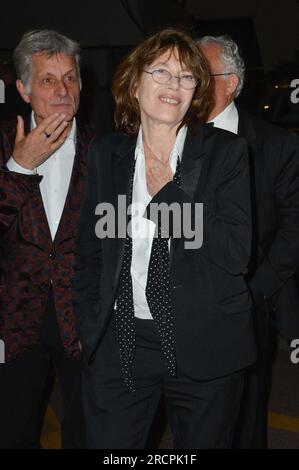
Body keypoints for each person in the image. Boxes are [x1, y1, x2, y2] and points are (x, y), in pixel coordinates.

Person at [73, 28, 256, 449]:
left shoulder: (226, 154)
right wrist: (89, 322)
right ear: (134, 83)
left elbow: (235, 255)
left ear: (197, 91)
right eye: (162, 72)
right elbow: (89, 249)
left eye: (187, 76)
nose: (175, 85)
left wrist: (168, 195)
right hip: (121, 340)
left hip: (206, 342)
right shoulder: (107, 154)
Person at [198, 35, 299, 449]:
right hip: (182, 309)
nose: (189, 83)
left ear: (232, 82)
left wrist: (255, 290)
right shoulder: (166, 138)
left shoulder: (276, 145)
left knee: (244, 417)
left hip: (247, 305)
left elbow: (294, 226)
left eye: (199, 74)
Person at [0, 29, 94, 448]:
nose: (62, 90)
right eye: (47, 80)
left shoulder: (108, 150)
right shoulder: (2, 148)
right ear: (22, 89)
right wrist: (18, 168)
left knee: (89, 430)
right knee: (13, 429)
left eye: (70, 78)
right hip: (14, 320)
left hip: (86, 320)